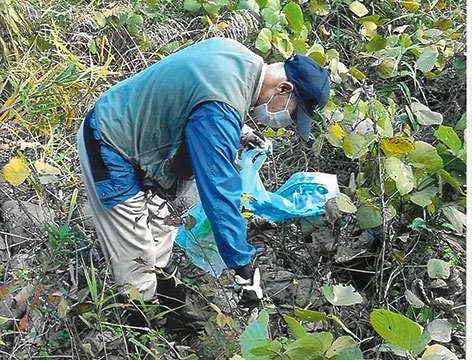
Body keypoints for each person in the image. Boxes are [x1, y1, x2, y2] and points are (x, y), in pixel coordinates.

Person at [77, 37, 330, 329]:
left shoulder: (237, 55)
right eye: (293, 113)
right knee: (135, 258)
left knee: (161, 233)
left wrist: (239, 130)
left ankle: (173, 311)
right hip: (110, 144)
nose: (285, 122)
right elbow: (219, 193)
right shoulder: (219, 112)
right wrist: (243, 267)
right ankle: (139, 333)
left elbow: (195, 94)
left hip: (136, 130)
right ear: (284, 89)